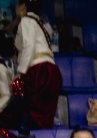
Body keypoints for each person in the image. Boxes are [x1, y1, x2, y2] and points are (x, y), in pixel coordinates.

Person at [10, 0, 60, 128]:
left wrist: (20, 73)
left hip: (39, 70)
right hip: (52, 71)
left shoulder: (26, 20)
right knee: (45, 118)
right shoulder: (41, 24)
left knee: (19, 93)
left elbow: (29, 46)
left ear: (22, 7)